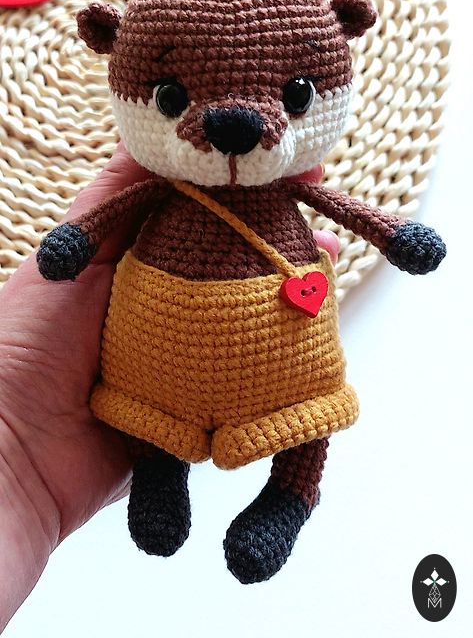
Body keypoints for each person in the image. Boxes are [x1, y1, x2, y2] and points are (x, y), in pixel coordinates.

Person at [0, 145, 339, 630]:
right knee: (146, 408)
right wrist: (77, 238)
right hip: (155, 360)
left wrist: (395, 237)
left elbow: (347, 210)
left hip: (281, 352)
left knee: (310, 409)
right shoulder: (161, 187)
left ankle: (291, 494)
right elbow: (107, 215)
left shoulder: (282, 191)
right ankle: (159, 471)